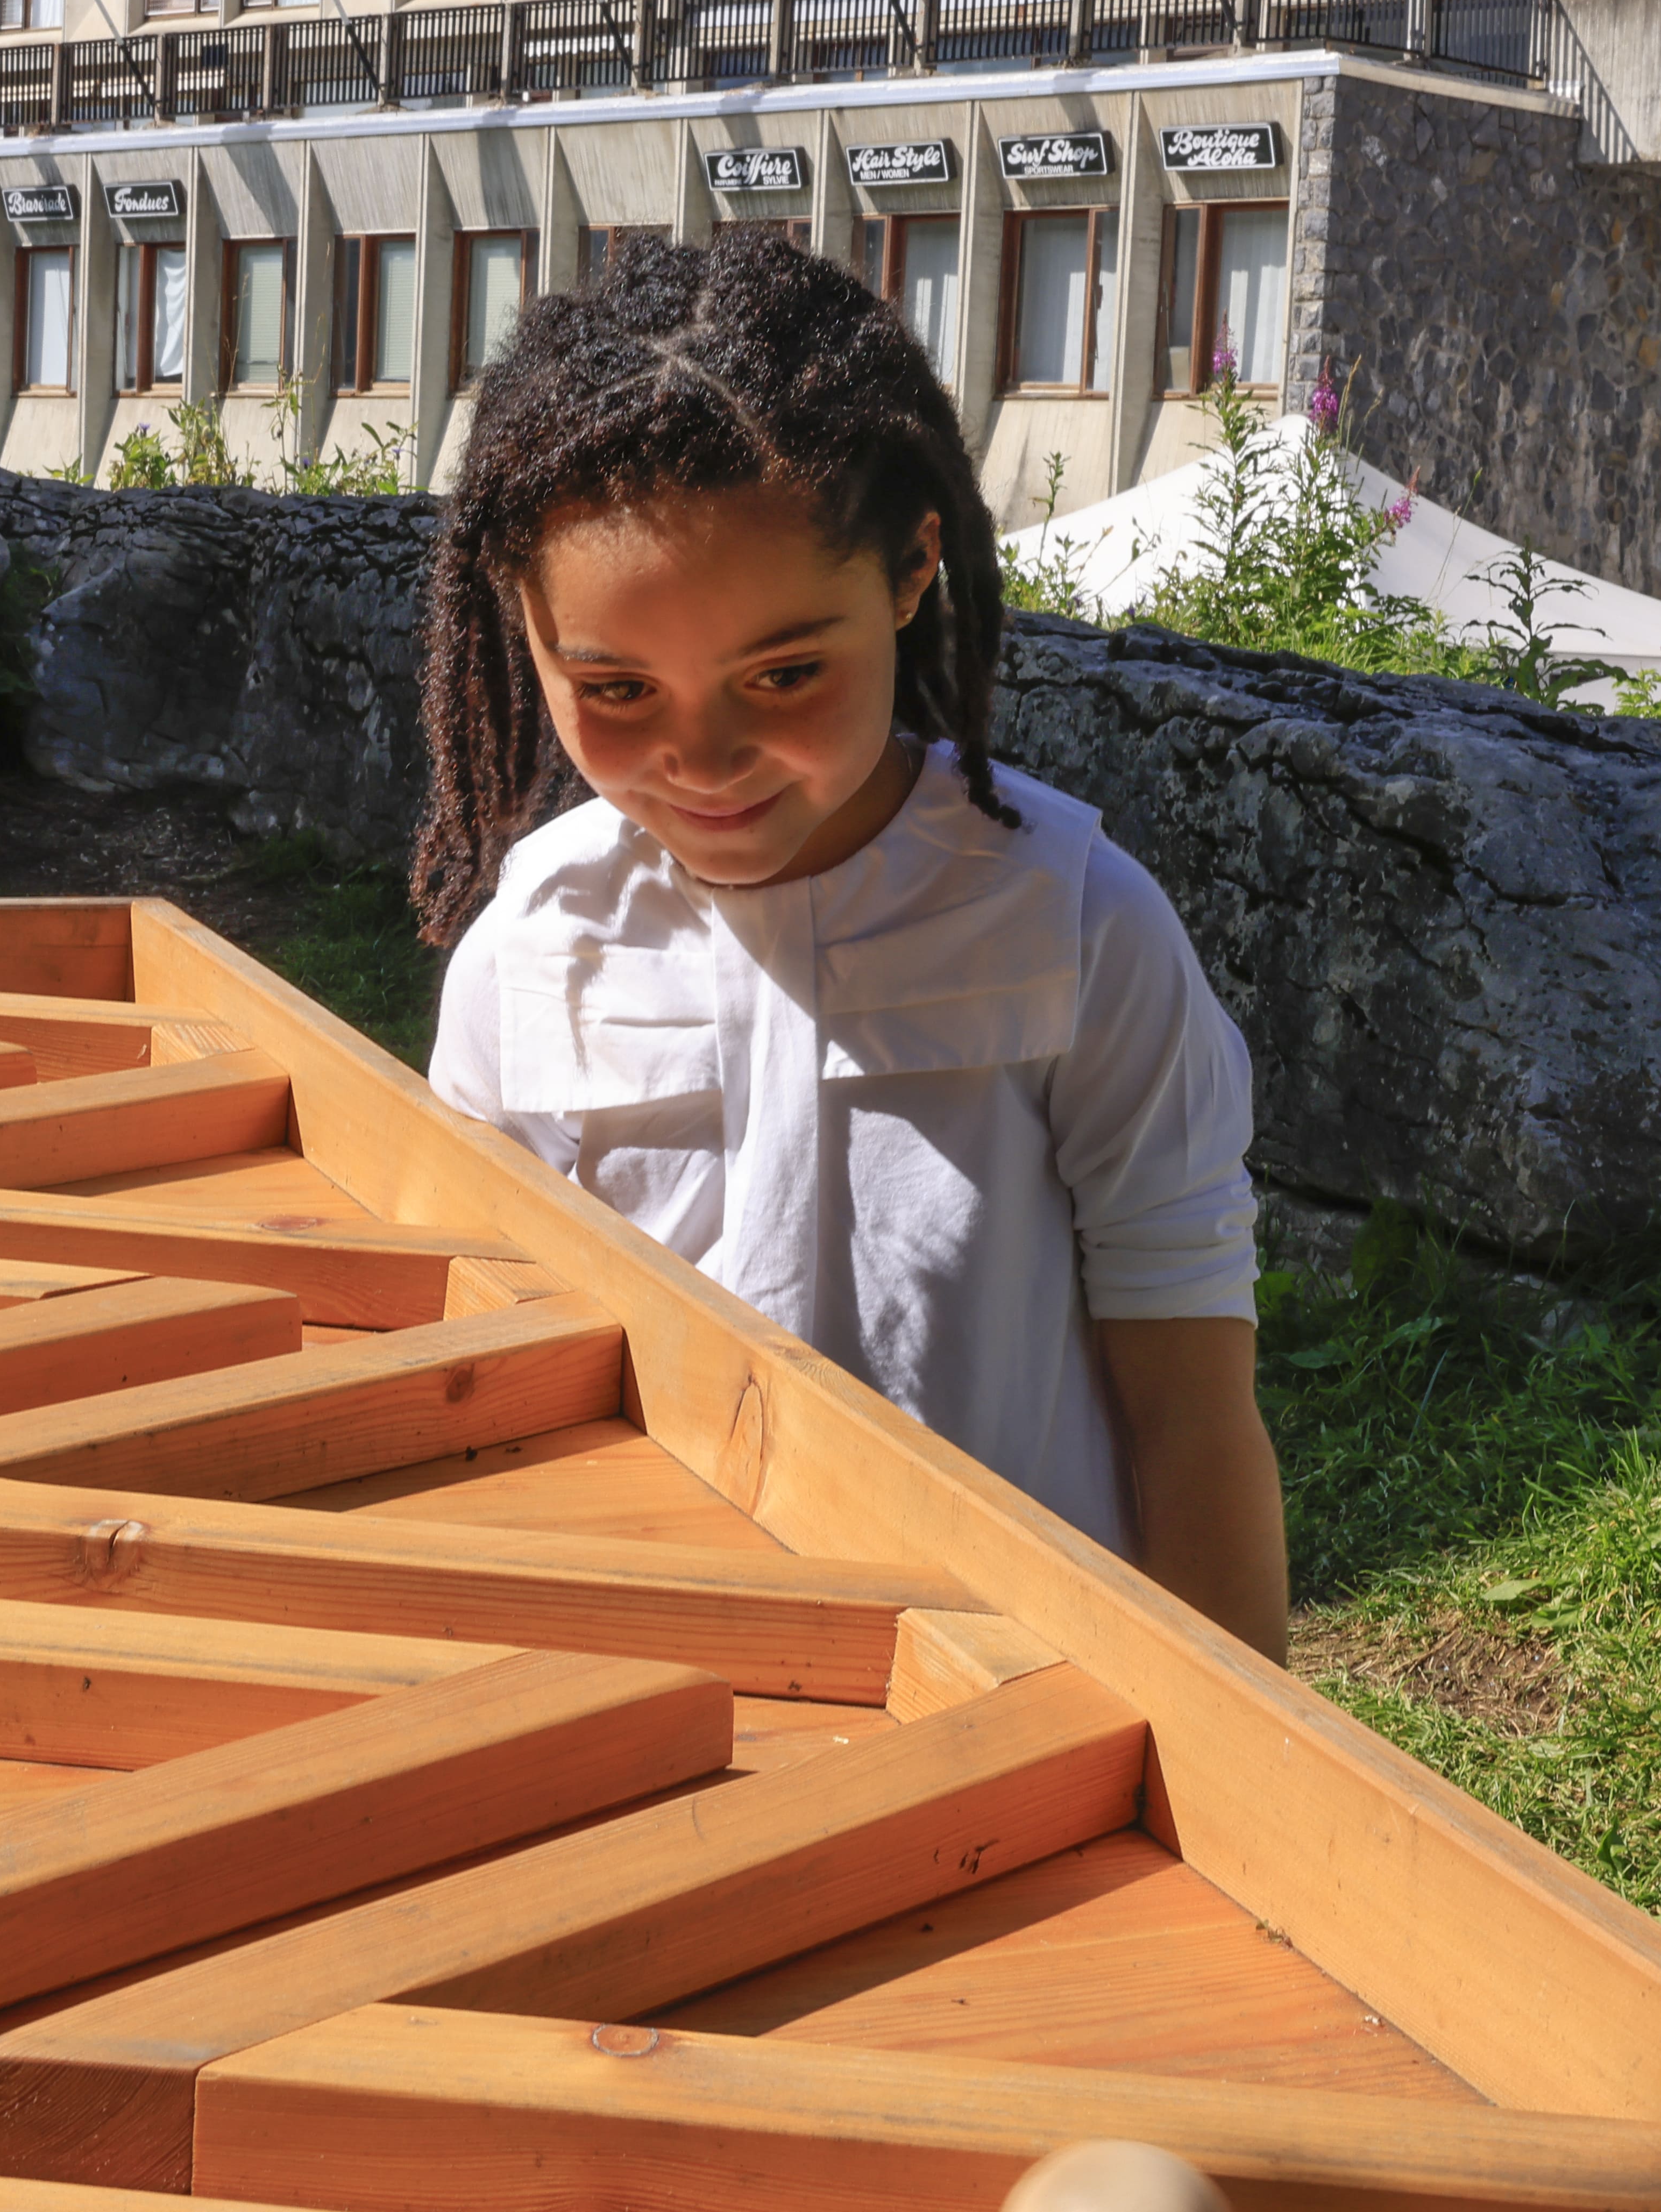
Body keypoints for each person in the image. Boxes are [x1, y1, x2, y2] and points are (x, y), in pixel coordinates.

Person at [410, 229, 1289, 1663]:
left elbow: (1193, 1418)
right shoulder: (526, 961)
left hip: (1030, 1705)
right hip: (661, 1695)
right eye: (618, 686)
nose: (703, 754)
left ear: (909, 572)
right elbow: (486, 1401)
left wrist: (1261, 1808)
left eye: (785, 672)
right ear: (525, 630)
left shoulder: (1080, 926)